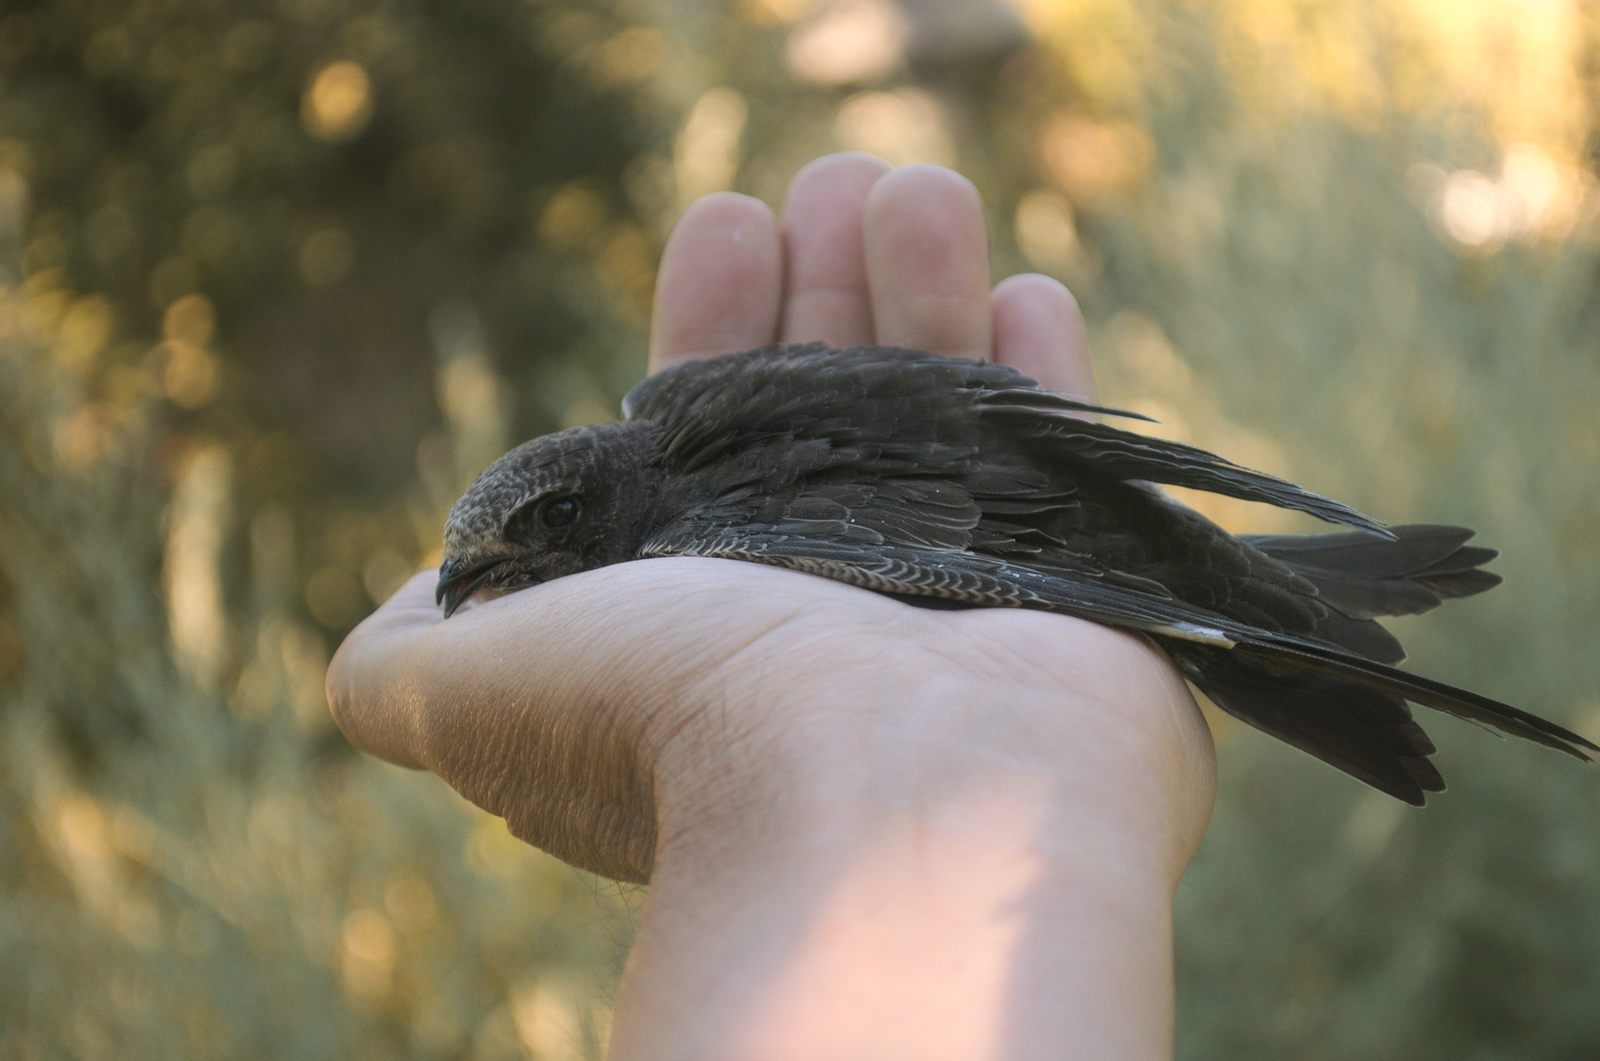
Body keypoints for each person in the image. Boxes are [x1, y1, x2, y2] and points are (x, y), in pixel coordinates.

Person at [327, 153, 1217, 1059]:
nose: (500, 576)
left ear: (595, 502)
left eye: (547, 526)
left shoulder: (693, 506)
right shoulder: (671, 490)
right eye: (486, 563)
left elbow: (972, 544)